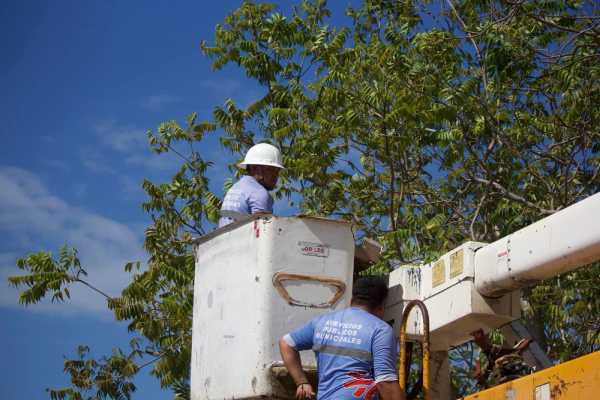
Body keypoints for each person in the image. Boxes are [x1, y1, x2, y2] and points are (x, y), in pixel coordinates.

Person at [279, 276, 404, 400]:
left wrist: (302, 382)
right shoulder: (380, 329)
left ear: (351, 300)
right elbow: (386, 383)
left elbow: (286, 343)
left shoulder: (321, 322)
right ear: (381, 308)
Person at [218, 143, 284, 228]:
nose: (276, 176)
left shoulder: (236, 187)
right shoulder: (259, 193)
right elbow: (264, 230)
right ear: (255, 168)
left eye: (277, 171)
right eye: (272, 170)